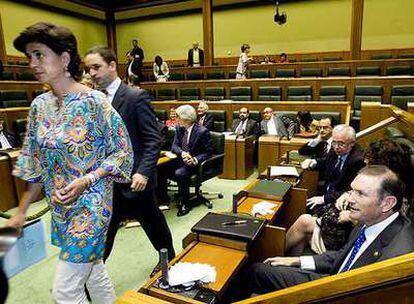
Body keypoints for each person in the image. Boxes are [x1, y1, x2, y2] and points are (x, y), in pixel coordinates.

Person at [6, 22, 133, 303]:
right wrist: (21, 212)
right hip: (62, 210)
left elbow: (122, 153)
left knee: (65, 291)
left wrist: (88, 179)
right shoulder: (39, 105)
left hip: (93, 207)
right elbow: (36, 165)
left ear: (64, 59)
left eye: (39, 54)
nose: (32, 63)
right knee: (94, 273)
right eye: (29, 57)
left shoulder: (95, 102)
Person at [249, 165, 414, 295]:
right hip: (332, 278)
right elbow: (343, 254)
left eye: (360, 194)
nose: (350, 199)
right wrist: (297, 261)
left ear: (387, 203)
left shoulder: (398, 256)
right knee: (259, 270)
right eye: (352, 191)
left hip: (337, 294)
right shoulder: (370, 220)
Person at [84, 46, 175, 277]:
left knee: (153, 225)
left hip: (135, 181)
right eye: (88, 69)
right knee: (104, 231)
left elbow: (153, 139)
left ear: (113, 65)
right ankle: (92, 276)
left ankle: (168, 258)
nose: (92, 73)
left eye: (97, 67)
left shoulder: (135, 97)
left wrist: (144, 172)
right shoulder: (91, 100)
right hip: (105, 182)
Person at [159, 105, 212, 216]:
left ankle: (185, 203)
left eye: (178, 117)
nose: (176, 119)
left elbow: (208, 153)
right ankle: (163, 198)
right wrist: (182, 153)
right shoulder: (179, 128)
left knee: (180, 173)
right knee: (160, 168)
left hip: (194, 164)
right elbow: (174, 146)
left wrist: (194, 159)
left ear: (186, 118)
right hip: (180, 159)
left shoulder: (202, 132)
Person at [301, 125, 365, 214]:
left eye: (341, 143)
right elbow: (326, 162)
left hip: (339, 202)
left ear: (352, 144)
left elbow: (351, 190)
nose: (336, 147)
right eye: (334, 142)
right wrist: (314, 162)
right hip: (326, 192)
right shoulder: (334, 149)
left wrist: (324, 199)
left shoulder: (357, 161)